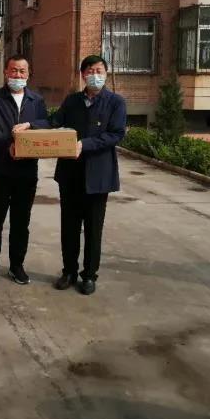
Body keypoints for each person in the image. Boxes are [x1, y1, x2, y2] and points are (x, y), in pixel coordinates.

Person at [50, 55, 126, 295]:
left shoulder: (115, 102)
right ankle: (69, 272)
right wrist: (30, 126)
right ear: (82, 75)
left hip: (98, 175)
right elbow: (54, 121)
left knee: (94, 229)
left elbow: (116, 134)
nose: (95, 75)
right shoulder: (72, 101)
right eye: (90, 71)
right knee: (69, 227)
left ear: (106, 73)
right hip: (70, 174)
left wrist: (85, 144)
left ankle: (89, 275)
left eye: (99, 70)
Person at [0, 54, 49, 285]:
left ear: (28, 74)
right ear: (5, 72)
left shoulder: (36, 100)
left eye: (22, 71)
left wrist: (31, 125)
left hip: (26, 172)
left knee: (21, 223)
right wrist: (10, 144)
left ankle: (16, 266)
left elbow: (46, 123)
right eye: (13, 70)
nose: (17, 75)